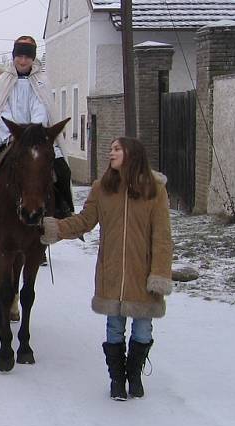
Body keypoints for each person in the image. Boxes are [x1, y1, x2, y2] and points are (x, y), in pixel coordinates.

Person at [41, 137, 173, 400]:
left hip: (142, 271)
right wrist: (56, 228)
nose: (111, 153)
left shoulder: (155, 189)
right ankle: (116, 380)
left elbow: (162, 236)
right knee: (114, 328)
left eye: (116, 149)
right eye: (111, 149)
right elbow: (85, 221)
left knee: (143, 329)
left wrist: (159, 273)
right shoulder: (102, 188)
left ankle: (133, 376)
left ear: (131, 154)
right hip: (111, 270)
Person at [0, 36, 74, 239]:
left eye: (27, 57)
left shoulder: (41, 81)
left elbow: (41, 107)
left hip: (37, 137)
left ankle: (63, 210)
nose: (22, 61)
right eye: (19, 56)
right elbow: (1, 109)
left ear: (32, 59)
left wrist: (33, 132)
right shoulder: (3, 80)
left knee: (62, 170)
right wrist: (14, 133)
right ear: (14, 57)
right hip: (8, 135)